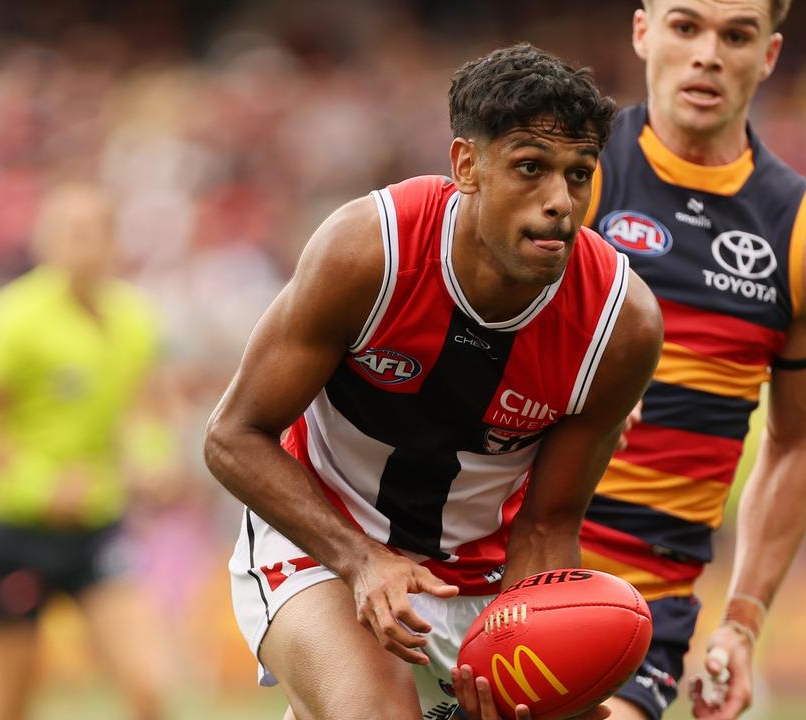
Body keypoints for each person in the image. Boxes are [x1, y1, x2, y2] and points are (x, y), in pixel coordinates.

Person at [203, 43, 664, 720]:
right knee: (378, 712)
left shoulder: (619, 324)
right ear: (466, 165)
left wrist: (527, 655)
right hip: (324, 547)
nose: (560, 202)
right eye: (532, 169)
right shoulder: (369, 252)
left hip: (482, 577)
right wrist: (361, 561)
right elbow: (232, 437)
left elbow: (549, 523)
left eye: (579, 175)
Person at [577, 2, 806, 719]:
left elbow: (799, 442)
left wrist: (742, 621)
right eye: (686, 27)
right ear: (643, 31)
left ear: (767, 56)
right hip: (489, 564)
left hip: (637, 615)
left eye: (735, 35)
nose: (708, 54)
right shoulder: (567, 172)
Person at [0, 183, 165, 720]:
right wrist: (43, 486)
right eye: (69, 231)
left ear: (112, 240)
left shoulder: (132, 318)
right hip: (20, 531)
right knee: (9, 705)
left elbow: (144, 411)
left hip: (98, 527)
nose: (82, 243)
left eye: (93, 230)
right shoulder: (13, 317)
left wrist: (152, 458)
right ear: (44, 241)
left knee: (148, 685)